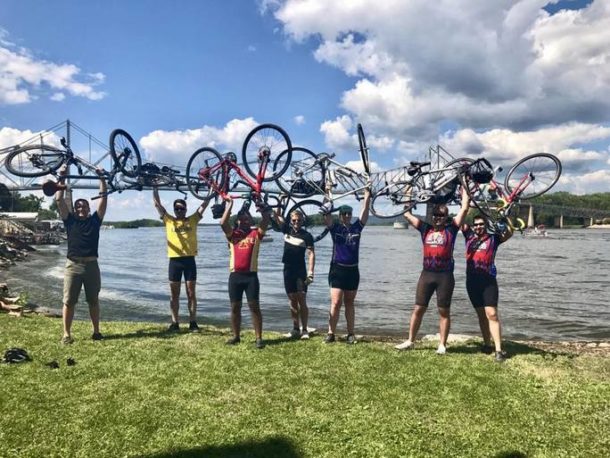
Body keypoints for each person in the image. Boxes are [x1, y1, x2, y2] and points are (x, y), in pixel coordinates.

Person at [395, 186, 470, 354]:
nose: (437, 218)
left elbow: (464, 208)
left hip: (445, 276)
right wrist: (408, 190)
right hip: (427, 274)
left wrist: (464, 186)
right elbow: (407, 214)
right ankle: (410, 341)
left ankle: (442, 344)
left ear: (446, 217)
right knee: (418, 308)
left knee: (443, 310)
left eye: (441, 215)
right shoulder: (425, 228)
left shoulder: (451, 229)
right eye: (435, 215)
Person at [55, 166, 107, 344]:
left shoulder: (95, 220)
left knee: (93, 300)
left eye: (84, 205)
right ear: (75, 209)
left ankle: (96, 332)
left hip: (92, 265)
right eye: (78, 206)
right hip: (73, 266)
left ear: (88, 207)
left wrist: (101, 178)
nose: (81, 208)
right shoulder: (69, 221)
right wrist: (61, 177)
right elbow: (59, 200)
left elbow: (103, 199)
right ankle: (67, 334)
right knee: (69, 301)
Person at [153, 188, 209, 332]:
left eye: (181, 208)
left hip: (190, 260)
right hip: (174, 261)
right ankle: (175, 323)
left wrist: (211, 190)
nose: (179, 211)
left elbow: (204, 205)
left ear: (185, 209)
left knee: (191, 293)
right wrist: (155, 188)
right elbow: (157, 205)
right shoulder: (169, 220)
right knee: (174, 294)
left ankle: (193, 322)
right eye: (176, 209)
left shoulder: (193, 219)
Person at [322, 187, 372, 344]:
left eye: (350, 213)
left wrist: (367, 194)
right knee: (336, 302)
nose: (348, 216)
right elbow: (326, 213)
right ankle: (331, 333)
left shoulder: (357, 227)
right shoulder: (335, 228)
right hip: (337, 269)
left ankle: (351, 334)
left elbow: (365, 210)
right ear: (340, 216)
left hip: (353, 270)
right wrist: (327, 191)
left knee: (350, 302)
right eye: (344, 214)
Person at [220, 196, 270, 349]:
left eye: (247, 218)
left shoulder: (256, 234)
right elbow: (223, 222)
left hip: (251, 276)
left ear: (251, 221)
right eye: (241, 219)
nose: (244, 220)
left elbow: (266, 219)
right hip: (235, 276)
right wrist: (230, 204)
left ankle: (259, 338)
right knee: (235, 307)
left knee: (254, 306)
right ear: (237, 222)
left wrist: (260, 204)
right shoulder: (232, 235)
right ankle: (236, 336)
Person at [462, 215, 513, 362]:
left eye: (481, 224)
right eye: (476, 224)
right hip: (472, 281)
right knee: (481, 315)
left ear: (486, 225)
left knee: (491, 314)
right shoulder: (469, 236)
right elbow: (460, 221)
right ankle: (486, 344)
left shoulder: (493, 239)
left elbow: (509, 233)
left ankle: (498, 350)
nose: (478, 227)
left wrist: (506, 218)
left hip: (488, 281)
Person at [272, 209, 315, 339]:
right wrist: (279, 202)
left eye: (299, 220)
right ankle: (296, 328)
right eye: (294, 220)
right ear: (291, 221)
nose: (296, 222)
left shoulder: (307, 235)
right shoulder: (286, 230)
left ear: (302, 221)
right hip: (287, 270)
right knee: (292, 300)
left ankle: (305, 330)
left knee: (302, 299)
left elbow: (311, 254)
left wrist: (311, 272)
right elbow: (277, 216)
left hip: (300, 271)